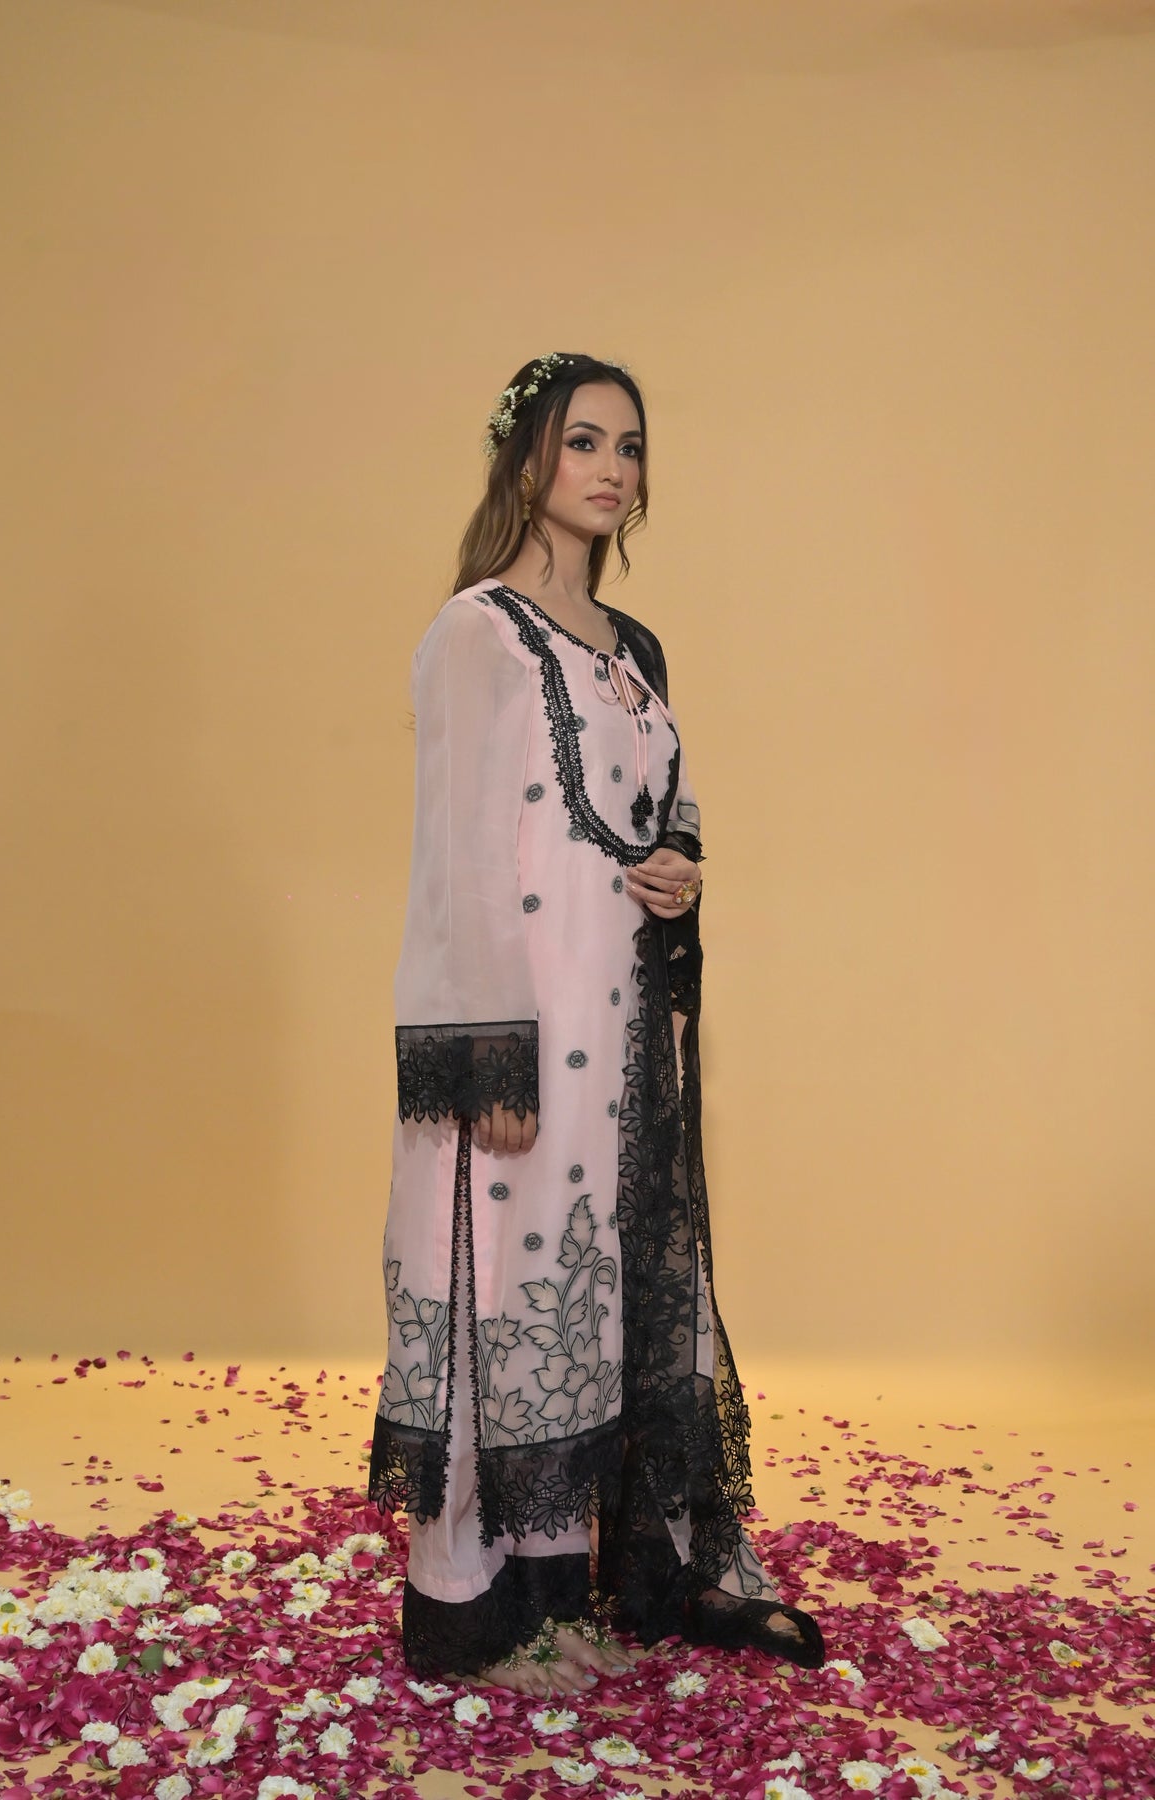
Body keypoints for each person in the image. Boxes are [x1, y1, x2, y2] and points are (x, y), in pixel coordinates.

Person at [367, 352, 825, 1696]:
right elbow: (457, 860)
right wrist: (487, 1054)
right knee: (501, 1291)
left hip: (619, 1042)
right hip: (523, 1028)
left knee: (583, 1301)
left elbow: (655, 814)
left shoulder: (634, 651)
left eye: (629, 446)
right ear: (526, 461)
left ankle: (558, 1596)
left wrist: (677, 866)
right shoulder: (478, 632)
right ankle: (470, 1616)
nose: (612, 469)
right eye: (584, 441)